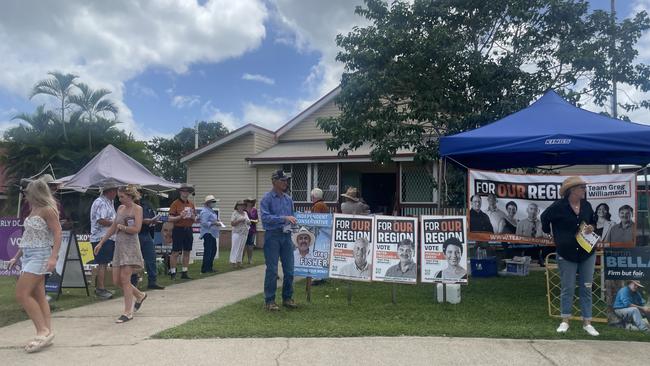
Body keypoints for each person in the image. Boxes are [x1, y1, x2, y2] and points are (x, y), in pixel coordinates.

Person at [7, 177, 61, 353]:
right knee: (38, 294)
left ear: (35, 193)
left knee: (22, 293)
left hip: (40, 255)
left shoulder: (47, 210)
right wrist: (16, 256)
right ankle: (48, 331)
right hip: (29, 254)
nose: (25, 196)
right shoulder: (34, 209)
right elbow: (28, 237)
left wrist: (53, 257)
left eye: (27, 193)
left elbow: (57, 232)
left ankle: (41, 330)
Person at [541, 176, 599, 336]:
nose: (584, 190)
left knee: (587, 287)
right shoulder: (558, 207)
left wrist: (590, 228)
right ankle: (565, 320)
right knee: (567, 288)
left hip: (587, 252)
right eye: (582, 187)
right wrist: (552, 234)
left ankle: (587, 322)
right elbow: (544, 219)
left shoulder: (586, 205)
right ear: (572, 190)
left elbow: (593, 222)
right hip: (566, 253)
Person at [93, 185, 147, 323]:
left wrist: (122, 227)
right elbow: (113, 226)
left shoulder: (137, 209)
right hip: (119, 245)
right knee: (117, 280)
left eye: (122, 197)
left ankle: (127, 312)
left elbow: (137, 228)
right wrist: (101, 242)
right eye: (119, 197)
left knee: (125, 278)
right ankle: (140, 295)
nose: (120, 199)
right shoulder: (120, 208)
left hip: (131, 246)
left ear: (130, 196)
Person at [260, 169, 298, 311]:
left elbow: (292, 217)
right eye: (282, 180)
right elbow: (265, 218)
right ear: (274, 182)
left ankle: (287, 298)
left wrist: (293, 223)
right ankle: (270, 300)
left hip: (286, 235)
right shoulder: (267, 198)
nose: (285, 183)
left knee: (289, 269)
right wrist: (283, 218)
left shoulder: (288, 199)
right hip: (272, 235)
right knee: (272, 269)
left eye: (286, 180)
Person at [130, 191, 164, 290]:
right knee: (135, 259)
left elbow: (150, 215)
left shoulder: (146, 204)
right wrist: (145, 221)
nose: (138, 195)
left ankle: (152, 281)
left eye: (139, 192)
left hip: (146, 233)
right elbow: (130, 220)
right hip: (135, 235)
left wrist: (153, 221)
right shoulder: (129, 206)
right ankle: (133, 282)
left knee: (151, 258)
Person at [90, 183, 118, 299]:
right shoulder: (100, 202)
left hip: (108, 236)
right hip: (100, 237)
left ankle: (102, 287)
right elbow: (100, 220)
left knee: (104, 263)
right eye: (115, 191)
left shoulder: (109, 202)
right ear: (109, 191)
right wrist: (116, 223)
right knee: (102, 263)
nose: (116, 194)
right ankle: (100, 289)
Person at [168, 183, 196, 280]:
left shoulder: (191, 204)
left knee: (187, 251)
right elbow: (170, 218)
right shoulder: (175, 203)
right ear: (180, 192)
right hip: (178, 229)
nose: (185, 193)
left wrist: (193, 216)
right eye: (184, 191)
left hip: (188, 229)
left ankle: (184, 272)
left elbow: (195, 219)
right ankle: (173, 273)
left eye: (187, 191)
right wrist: (180, 216)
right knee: (175, 252)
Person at [199, 195, 221, 273]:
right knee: (208, 251)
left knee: (213, 250)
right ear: (208, 203)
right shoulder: (205, 211)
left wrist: (217, 221)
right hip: (207, 233)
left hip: (212, 233)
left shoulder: (210, 210)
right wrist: (214, 223)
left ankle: (209, 267)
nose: (214, 203)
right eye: (213, 202)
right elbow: (204, 223)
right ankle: (205, 268)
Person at [230, 200, 250, 269]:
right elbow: (232, 223)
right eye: (240, 205)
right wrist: (239, 220)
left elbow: (248, 221)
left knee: (241, 248)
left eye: (243, 205)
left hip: (244, 232)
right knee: (235, 247)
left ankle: (239, 262)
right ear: (237, 206)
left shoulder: (245, 213)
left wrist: (249, 222)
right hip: (237, 232)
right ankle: (233, 262)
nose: (242, 206)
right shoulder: (234, 213)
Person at [243, 197, 258, 264]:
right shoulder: (243, 210)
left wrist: (253, 221)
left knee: (250, 245)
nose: (250, 203)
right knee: (243, 245)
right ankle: (241, 260)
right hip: (244, 229)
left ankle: (250, 259)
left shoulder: (254, 210)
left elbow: (257, 220)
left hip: (252, 229)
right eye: (248, 201)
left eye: (251, 201)